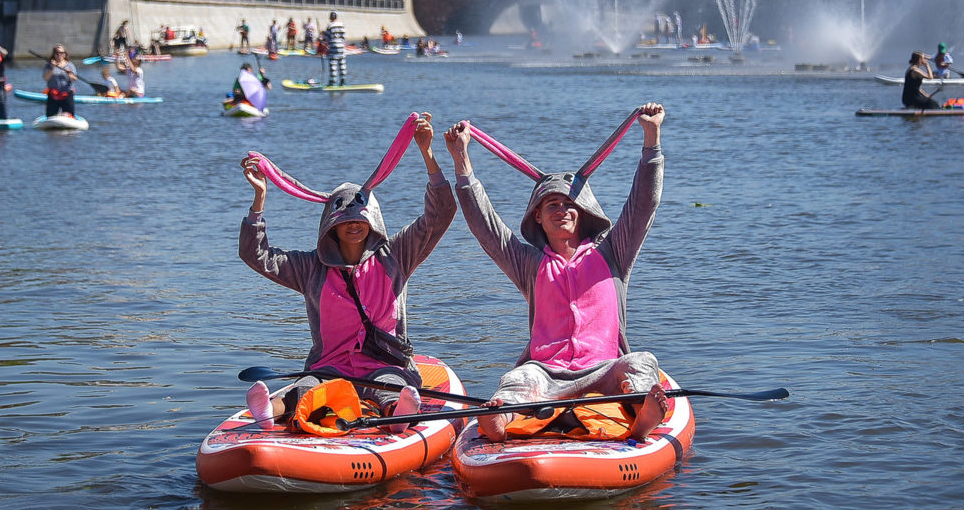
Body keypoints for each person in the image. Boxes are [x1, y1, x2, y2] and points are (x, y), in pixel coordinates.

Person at [443, 103, 669, 443]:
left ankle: (642, 419)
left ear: (583, 213)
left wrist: (651, 139)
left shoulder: (613, 252)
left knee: (641, 361)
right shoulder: (529, 263)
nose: (561, 210)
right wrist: (462, 161)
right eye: (552, 205)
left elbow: (642, 205)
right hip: (546, 372)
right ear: (537, 217)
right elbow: (488, 229)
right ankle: (499, 421)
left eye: (568, 205)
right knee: (517, 380)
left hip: (605, 369)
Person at [238, 112, 456, 432]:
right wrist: (259, 200)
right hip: (330, 367)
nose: (353, 224)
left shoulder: (396, 255)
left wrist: (427, 153)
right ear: (330, 224)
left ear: (373, 219)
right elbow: (255, 255)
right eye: (344, 218)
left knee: (388, 386)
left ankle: (398, 413)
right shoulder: (310, 268)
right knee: (309, 387)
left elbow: (440, 215)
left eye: (360, 217)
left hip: (386, 365)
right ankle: (269, 408)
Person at [42, 44, 77, 117]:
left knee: (70, 114)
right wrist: (52, 68)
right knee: (50, 115)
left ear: (65, 54)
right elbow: (46, 78)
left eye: (61, 53)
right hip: (53, 94)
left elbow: (74, 79)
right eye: (57, 53)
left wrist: (69, 73)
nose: (59, 55)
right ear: (54, 54)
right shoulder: (49, 65)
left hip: (67, 94)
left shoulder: (70, 65)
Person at [325, 11, 347, 87]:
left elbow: (326, 38)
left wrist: (321, 40)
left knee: (333, 65)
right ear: (337, 17)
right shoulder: (342, 25)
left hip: (333, 47)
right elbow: (344, 37)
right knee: (342, 64)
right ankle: (343, 81)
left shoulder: (330, 26)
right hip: (341, 47)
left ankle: (332, 82)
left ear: (330, 18)